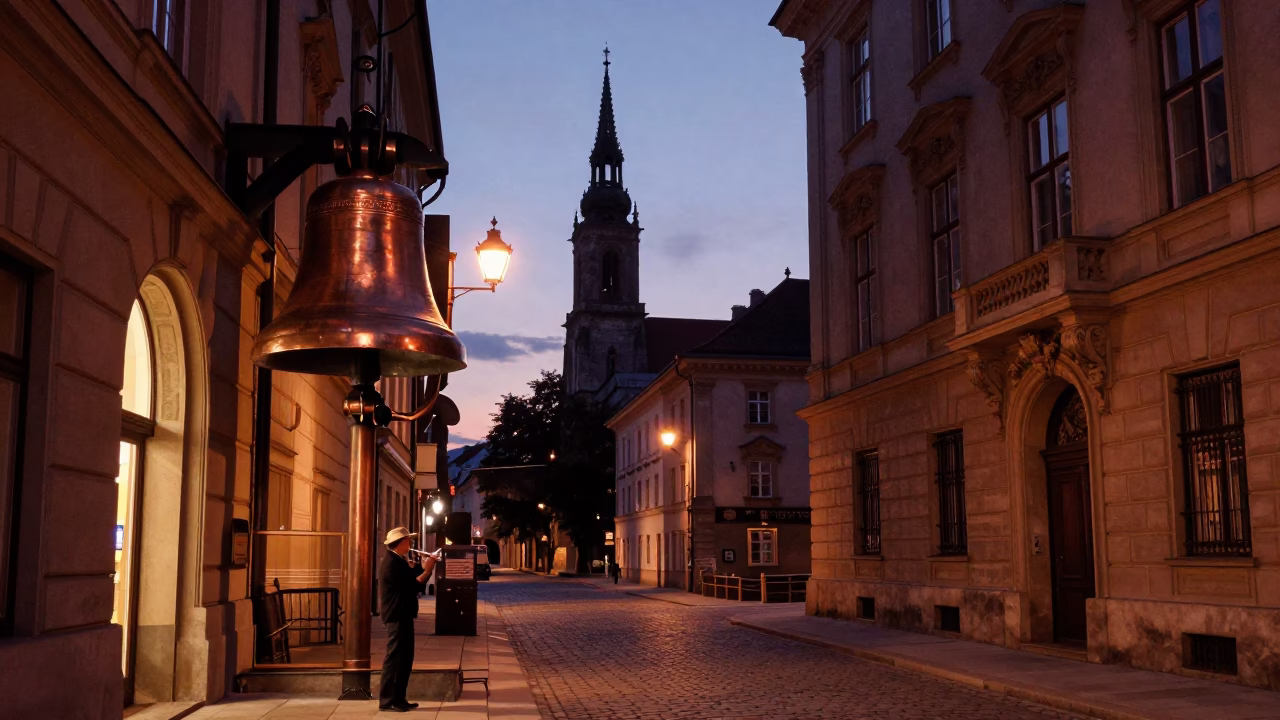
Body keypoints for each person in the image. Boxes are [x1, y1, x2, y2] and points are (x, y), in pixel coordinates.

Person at [377, 527, 439, 712]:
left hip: (402, 614)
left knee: (405, 658)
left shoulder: (398, 560)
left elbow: (410, 576)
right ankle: (388, 700)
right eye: (408, 540)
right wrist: (428, 569)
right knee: (395, 658)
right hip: (396, 615)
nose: (411, 544)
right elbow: (413, 586)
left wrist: (420, 566)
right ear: (401, 542)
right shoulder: (392, 563)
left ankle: (400, 698)